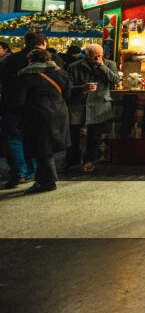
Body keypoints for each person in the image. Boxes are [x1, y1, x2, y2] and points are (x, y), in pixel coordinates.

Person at [17, 48, 70, 193]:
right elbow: (68, 94)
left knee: (43, 149)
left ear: (31, 60)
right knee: (46, 149)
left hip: (37, 115)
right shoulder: (60, 73)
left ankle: (48, 182)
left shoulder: (26, 76)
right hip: (59, 112)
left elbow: (21, 99)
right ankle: (42, 180)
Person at [1, 32, 47, 188]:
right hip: (38, 105)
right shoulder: (50, 60)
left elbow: (4, 82)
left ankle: (18, 171)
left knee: (13, 137)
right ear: (44, 42)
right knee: (34, 138)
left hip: (12, 103)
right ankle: (31, 170)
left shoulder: (12, 59)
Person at [66, 44, 121, 173]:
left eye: (99, 56)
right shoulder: (74, 67)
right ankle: (73, 160)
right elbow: (68, 87)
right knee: (73, 135)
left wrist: (101, 66)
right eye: (93, 56)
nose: (96, 58)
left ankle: (90, 160)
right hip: (78, 105)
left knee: (94, 135)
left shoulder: (109, 64)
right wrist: (82, 88)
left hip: (99, 104)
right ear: (87, 55)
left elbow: (115, 79)